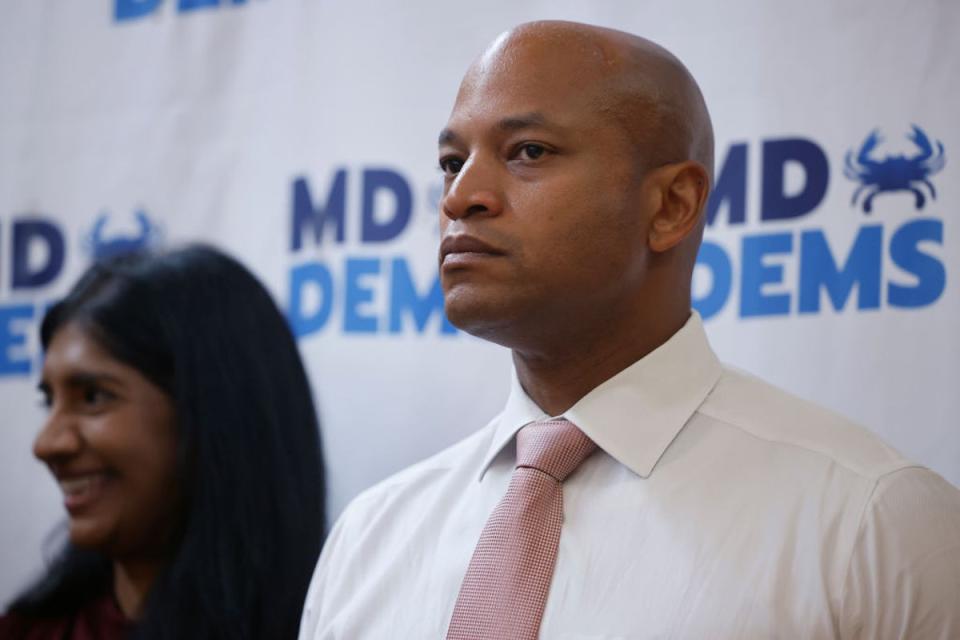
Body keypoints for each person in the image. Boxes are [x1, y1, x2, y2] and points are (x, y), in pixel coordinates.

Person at [298, 20, 960, 640]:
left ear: (672, 205)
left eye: (527, 151)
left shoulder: (873, 524)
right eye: (451, 162)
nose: (460, 197)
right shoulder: (371, 538)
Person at [1, 245, 326, 639]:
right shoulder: (29, 631)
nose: (47, 444)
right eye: (48, 400)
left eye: (93, 397)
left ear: (213, 414)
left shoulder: (332, 625)